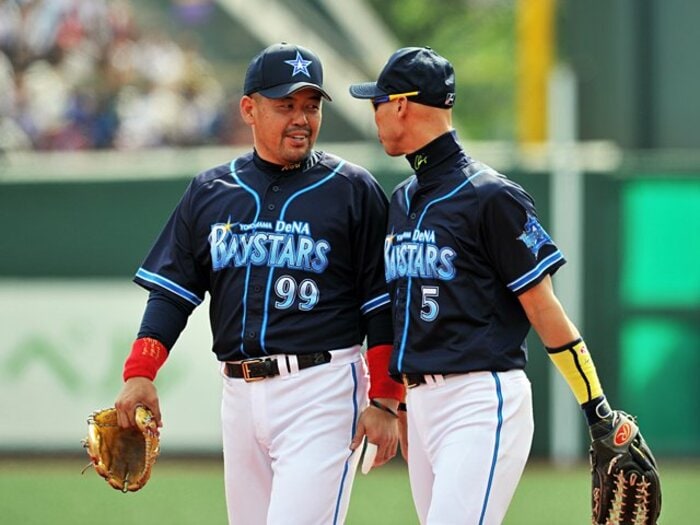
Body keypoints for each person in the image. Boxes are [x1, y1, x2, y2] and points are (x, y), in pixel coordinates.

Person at [114, 42, 404, 525]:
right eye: (285, 105)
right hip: (240, 396)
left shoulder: (352, 190)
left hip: (323, 389)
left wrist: (386, 398)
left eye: (311, 106)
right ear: (249, 108)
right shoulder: (210, 191)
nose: (301, 118)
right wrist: (140, 372)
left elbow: (382, 302)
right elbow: (173, 290)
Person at [349, 47, 628, 524]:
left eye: (376, 102)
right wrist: (394, 399)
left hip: (480, 400)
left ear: (400, 104)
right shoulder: (402, 199)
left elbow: (545, 311)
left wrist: (597, 409)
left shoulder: (491, 196)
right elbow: (400, 310)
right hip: (422, 406)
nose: (373, 113)